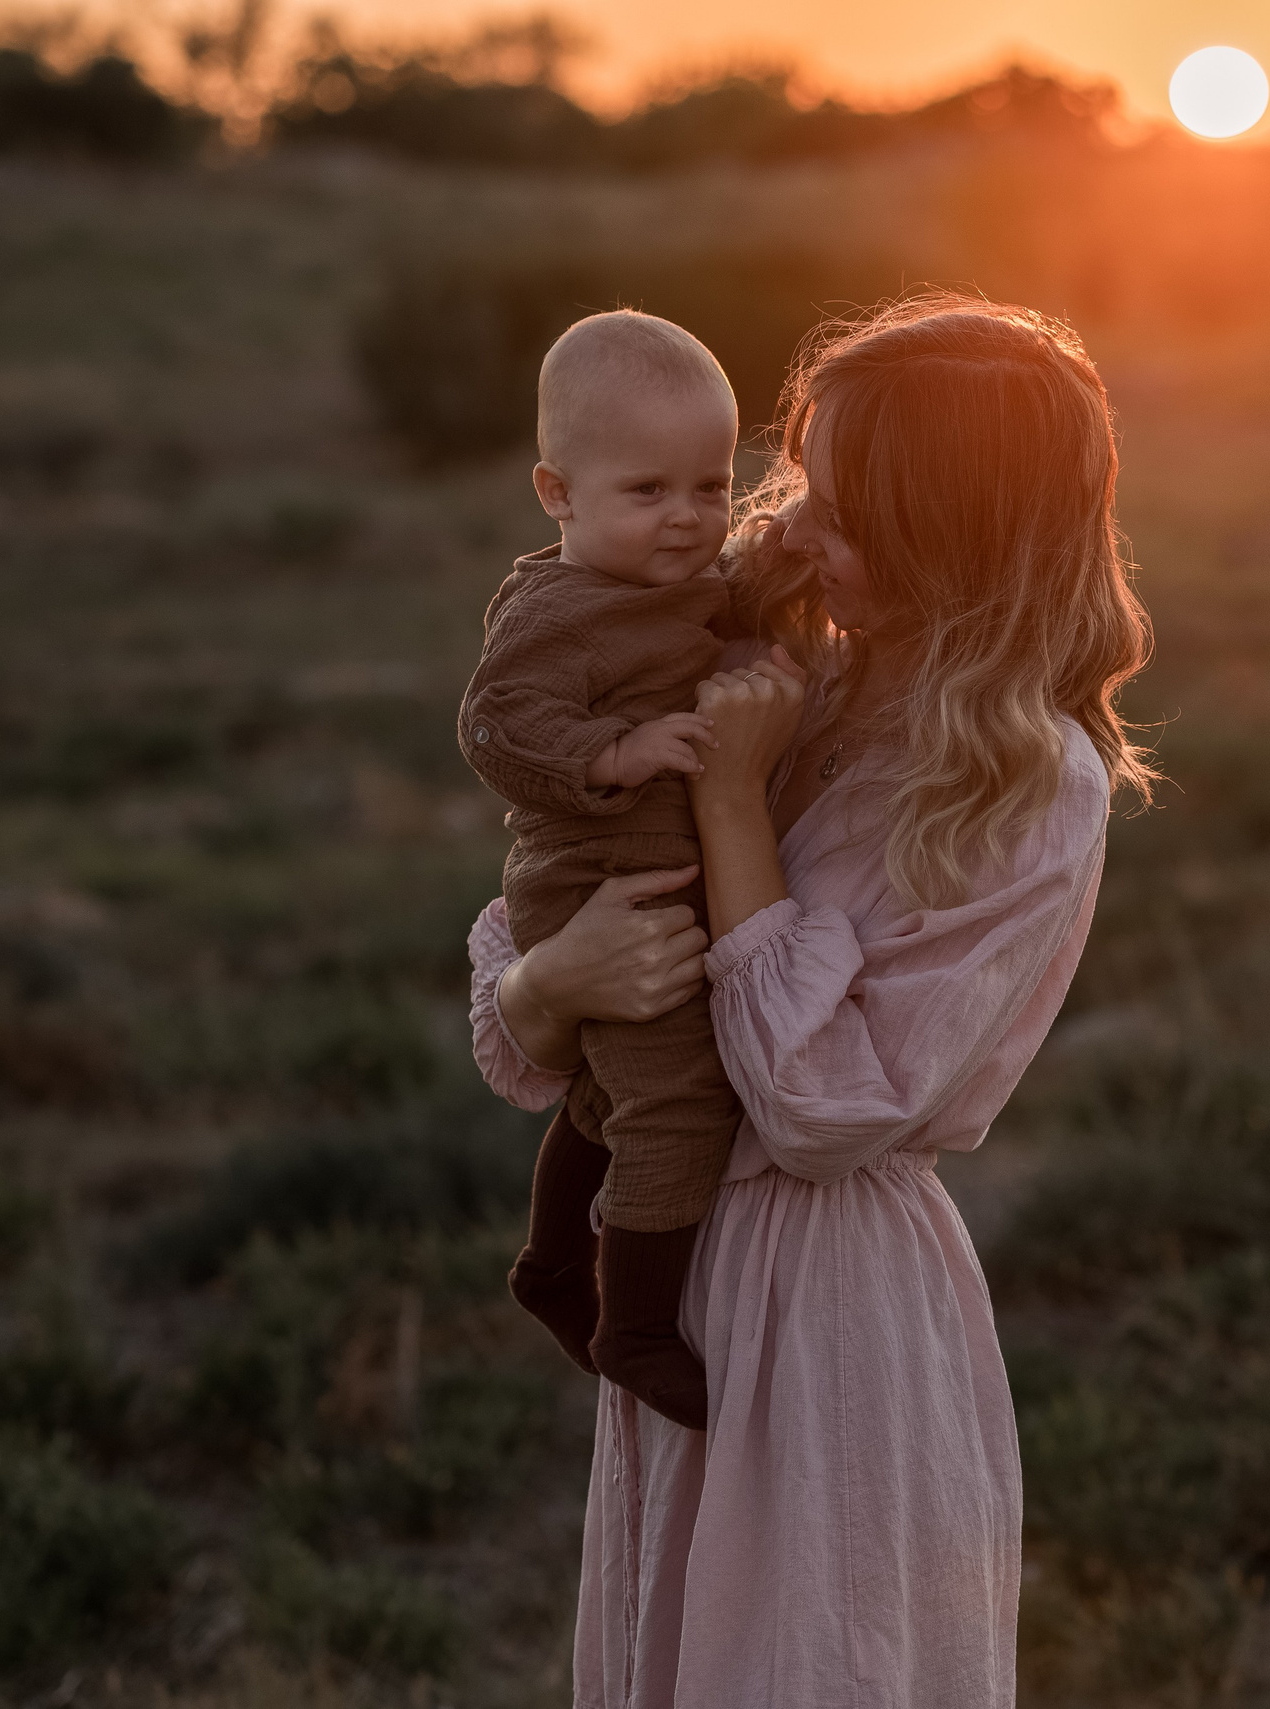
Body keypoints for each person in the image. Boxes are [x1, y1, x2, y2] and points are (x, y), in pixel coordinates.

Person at [465, 294, 1154, 1706]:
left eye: (832, 508)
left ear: (942, 533)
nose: (780, 528)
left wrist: (728, 797)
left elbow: (820, 1108)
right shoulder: (804, 683)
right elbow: (537, 962)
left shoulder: (1027, 794)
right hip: (677, 1266)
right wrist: (548, 984)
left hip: (831, 1310)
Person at [457, 309, 751, 1432]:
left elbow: (734, 605)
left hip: (652, 872)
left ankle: (547, 1263)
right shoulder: (557, 614)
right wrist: (610, 752)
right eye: (648, 491)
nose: (687, 521)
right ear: (557, 492)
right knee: (676, 1097)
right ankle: (633, 1325)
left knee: (604, 1091)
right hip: (592, 880)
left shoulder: (676, 575)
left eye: (711, 486)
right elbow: (495, 726)